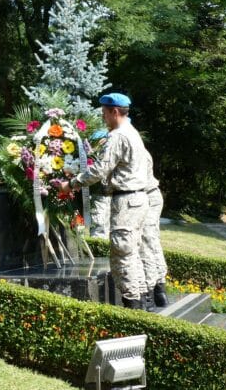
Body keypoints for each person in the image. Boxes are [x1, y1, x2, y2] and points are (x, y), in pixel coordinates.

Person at [60, 93, 151, 310]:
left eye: (104, 114)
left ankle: (133, 310)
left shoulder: (118, 136)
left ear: (115, 112)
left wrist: (70, 184)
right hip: (138, 200)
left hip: (126, 202)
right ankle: (142, 304)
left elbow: (100, 169)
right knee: (132, 254)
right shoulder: (133, 133)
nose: (103, 118)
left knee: (122, 256)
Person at [141, 151, 169, 307]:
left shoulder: (132, 146)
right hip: (149, 196)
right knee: (152, 242)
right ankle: (159, 291)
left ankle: (151, 292)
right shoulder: (135, 144)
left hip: (146, 197)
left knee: (147, 243)